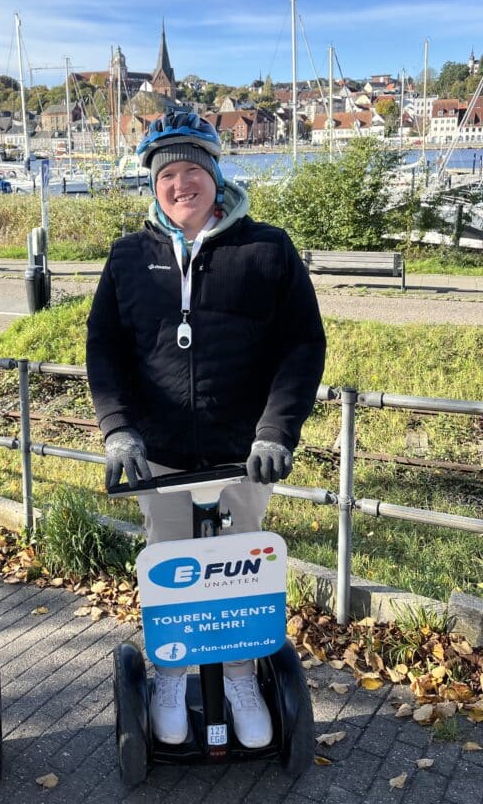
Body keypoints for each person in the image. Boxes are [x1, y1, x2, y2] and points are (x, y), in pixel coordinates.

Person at [86, 109, 326, 749]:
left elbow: (302, 345)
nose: (181, 183)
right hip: (159, 457)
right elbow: (104, 348)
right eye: (169, 174)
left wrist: (276, 431)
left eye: (194, 170)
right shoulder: (128, 255)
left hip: (243, 458)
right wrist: (118, 430)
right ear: (154, 184)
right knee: (171, 569)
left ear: (216, 177)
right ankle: (170, 672)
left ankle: (242, 674)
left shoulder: (267, 249)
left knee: (240, 571)